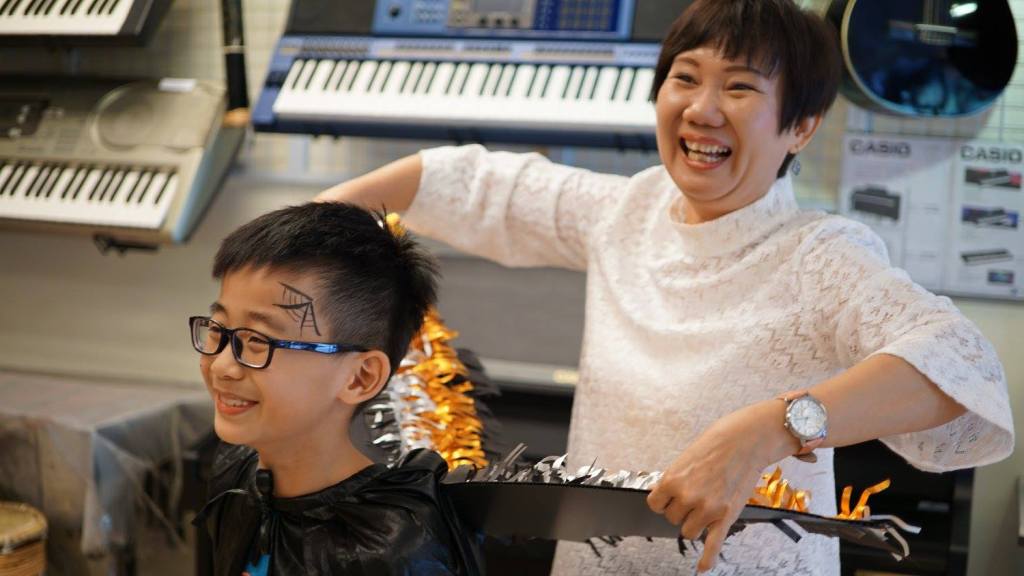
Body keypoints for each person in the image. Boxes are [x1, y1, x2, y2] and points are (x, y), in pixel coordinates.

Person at [315, 1, 1015, 574]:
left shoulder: (820, 253)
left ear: (801, 127)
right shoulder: (628, 211)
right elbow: (461, 182)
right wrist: (304, 235)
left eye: (739, 87)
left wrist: (768, 429)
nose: (702, 109)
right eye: (685, 77)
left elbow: (964, 368)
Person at [190, 202, 481, 575]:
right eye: (218, 330)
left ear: (360, 377)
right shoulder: (234, 469)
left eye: (259, 341)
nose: (222, 365)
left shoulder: (389, 549)